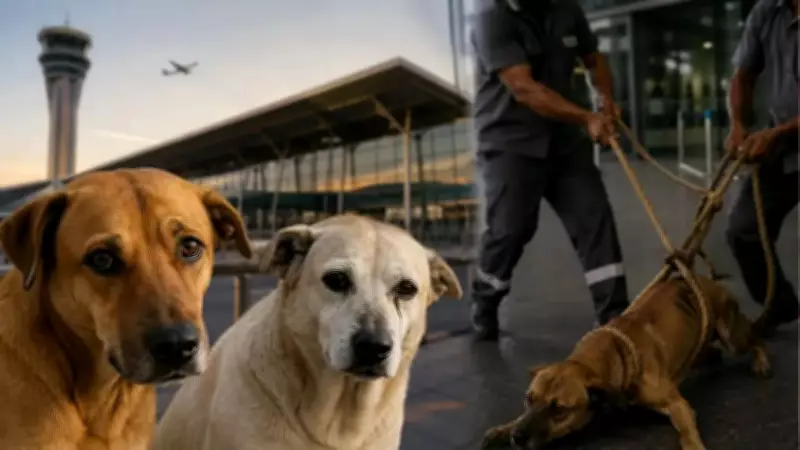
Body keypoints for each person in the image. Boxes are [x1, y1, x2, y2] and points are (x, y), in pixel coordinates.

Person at [469, 0, 629, 340]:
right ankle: (485, 298)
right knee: (510, 231)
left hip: (565, 142)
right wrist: (587, 118)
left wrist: (606, 97)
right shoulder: (492, 16)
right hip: (510, 144)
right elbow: (523, 88)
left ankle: (614, 317)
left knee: (594, 219)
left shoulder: (567, 8)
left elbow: (593, 58)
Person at [724, 0, 799, 337]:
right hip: (784, 147)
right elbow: (742, 74)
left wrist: (778, 132)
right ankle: (779, 304)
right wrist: (738, 124)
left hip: (782, 134)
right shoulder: (767, 11)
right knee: (744, 230)